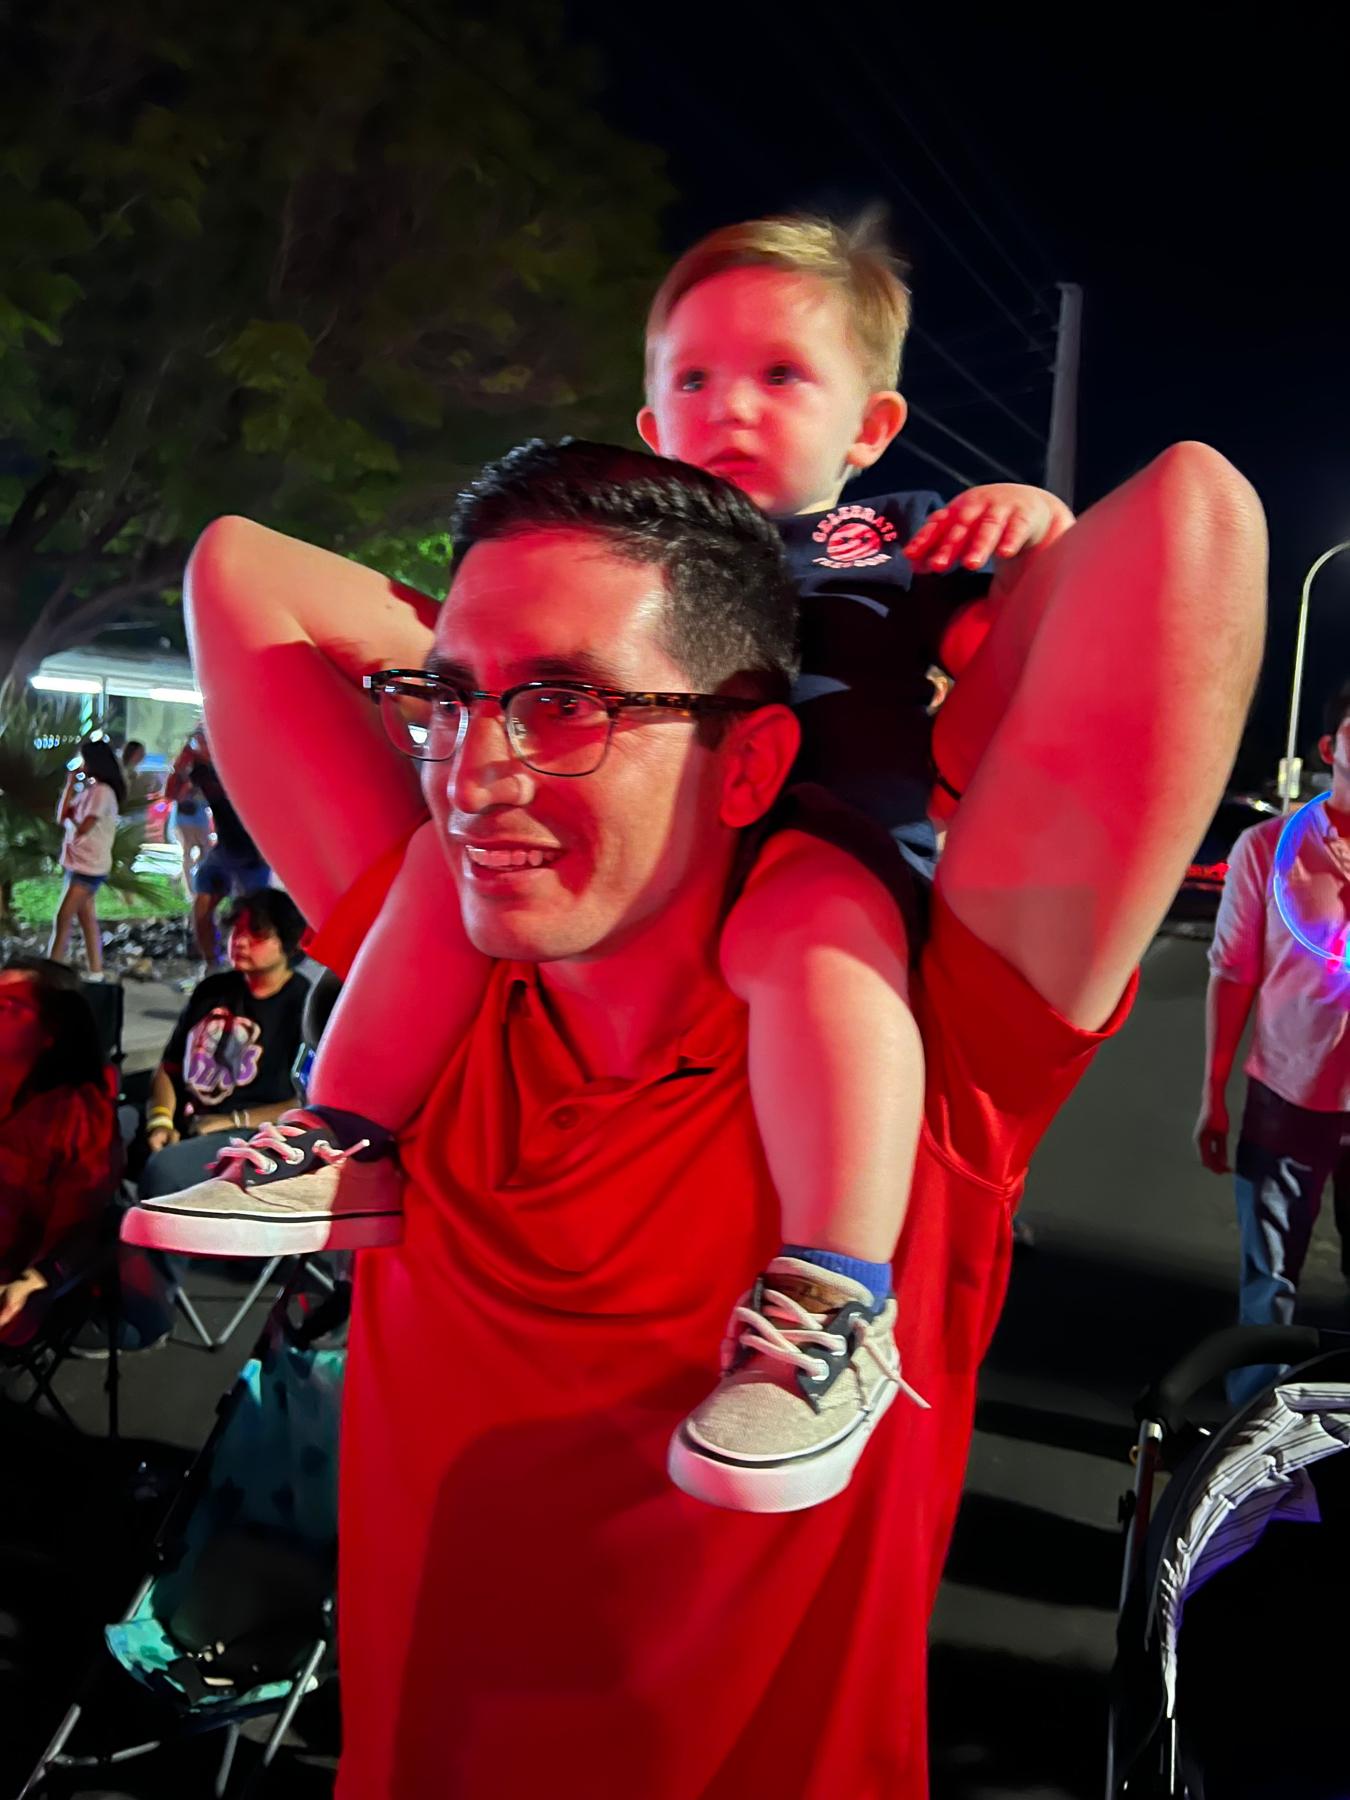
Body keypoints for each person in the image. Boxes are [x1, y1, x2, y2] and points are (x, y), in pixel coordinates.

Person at [136, 433, 1259, 1795]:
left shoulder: (910, 1059)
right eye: (448, 702)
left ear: (748, 765)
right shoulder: (431, 1009)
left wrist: (967, 623)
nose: (471, 774)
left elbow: (1190, 520)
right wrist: (518, 636)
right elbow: (237, 572)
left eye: (566, 703)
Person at [125, 215, 1075, 1509]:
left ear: (868, 426)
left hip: (816, 834)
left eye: (779, 375)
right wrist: (484, 662)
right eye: (691, 379)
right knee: (438, 875)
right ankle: (345, 1134)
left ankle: (835, 1290)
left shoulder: (888, 539)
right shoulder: (607, 564)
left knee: (819, 946)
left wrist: (1032, 535)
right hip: (610, 848)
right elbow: (252, 575)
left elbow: (1028, 664)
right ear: (647, 417)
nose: (727, 405)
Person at [1196, 680, 1350, 1404]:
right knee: (1271, 1285)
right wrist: (1213, 1095)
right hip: (1285, 1100)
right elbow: (1232, 974)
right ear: (1331, 748)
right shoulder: (1270, 847)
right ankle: (1252, 1426)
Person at [136, 889, 310, 1201]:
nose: (239, 941)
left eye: (256, 933)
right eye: (235, 930)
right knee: (100, 1133)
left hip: (252, 1135)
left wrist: (229, 1122)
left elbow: (305, 1101)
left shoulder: (303, 1005)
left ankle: (158, 1247)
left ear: (288, 942)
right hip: (187, 1119)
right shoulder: (212, 990)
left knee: (165, 1171)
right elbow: (169, 1067)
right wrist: (160, 1120)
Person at [0, 957, 120, 1343]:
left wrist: (37, 1279)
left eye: (8, 1006)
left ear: (51, 1031)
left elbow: (84, 1228)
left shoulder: (75, 1112)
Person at [165, 727, 271, 966]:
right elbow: (173, 795)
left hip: (253, 851)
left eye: (202, 740)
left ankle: (252, 964)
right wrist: (180, 765)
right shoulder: (202, 771)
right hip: (225, 848)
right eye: (196, 740)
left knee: (252, 914)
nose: (198, 745)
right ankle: (212, 962)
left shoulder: (240, 764)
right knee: (202, 905)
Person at [47, 736, 124, 977]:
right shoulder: (92, 790)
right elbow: (62, 817)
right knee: (86, 920)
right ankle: (96, 972)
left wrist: (71, 820)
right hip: (80, 863)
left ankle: (51, 973)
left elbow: (83, 827)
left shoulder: (102, 792)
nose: (82, 764)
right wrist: (70, 784)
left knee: (63, 918)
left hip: (88, 866)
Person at [167, 769, 214, 897]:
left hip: (186, 815)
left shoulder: (182, 768)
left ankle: (190, 888)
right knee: (201, 851)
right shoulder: (198, 767)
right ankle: (192, 890)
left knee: (197, 852)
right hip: (192, 815)